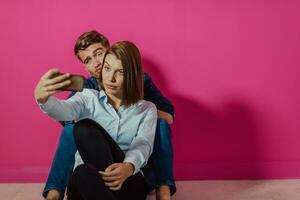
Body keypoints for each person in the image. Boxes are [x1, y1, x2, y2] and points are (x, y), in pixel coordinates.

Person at [38, 31, 176, 200]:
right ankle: (55, 192)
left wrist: (128, 167)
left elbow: (147, 139)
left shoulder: (145, 101)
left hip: (129, 174)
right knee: (79, 136)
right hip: (95, 163)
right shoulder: (88, 92)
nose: (97, 63)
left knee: (159, 124)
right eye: (88, 60)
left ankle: (164, 190)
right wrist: (44, 99)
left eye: (98, 54)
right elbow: (65, 112)